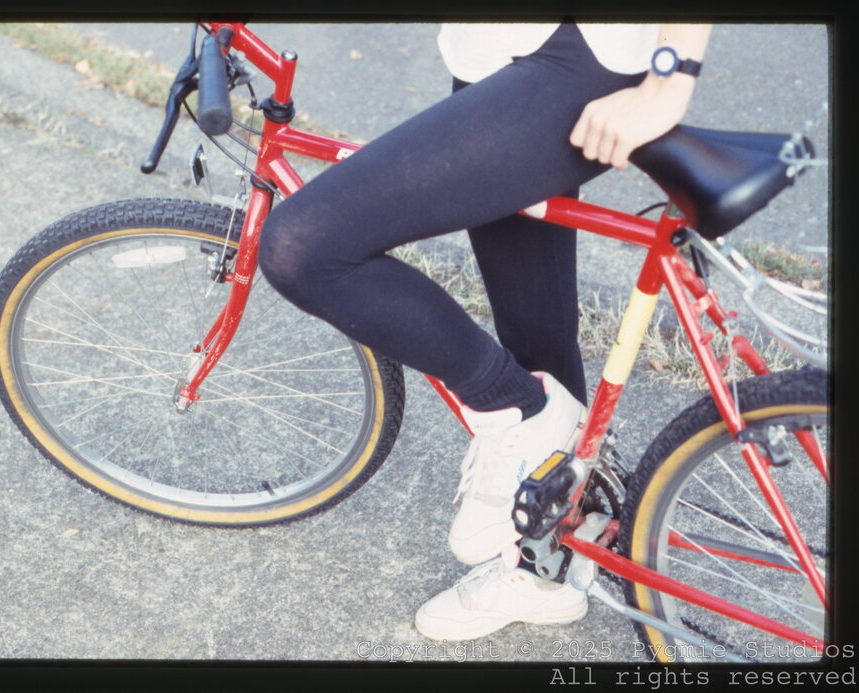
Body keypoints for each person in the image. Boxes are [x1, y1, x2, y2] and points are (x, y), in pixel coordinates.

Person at [257, 21, 711, 641]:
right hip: (496, 48)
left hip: (580, 53)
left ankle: (519, 410)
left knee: (301, 248)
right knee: (534, 330)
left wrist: (670, 81)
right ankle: (543, 573)